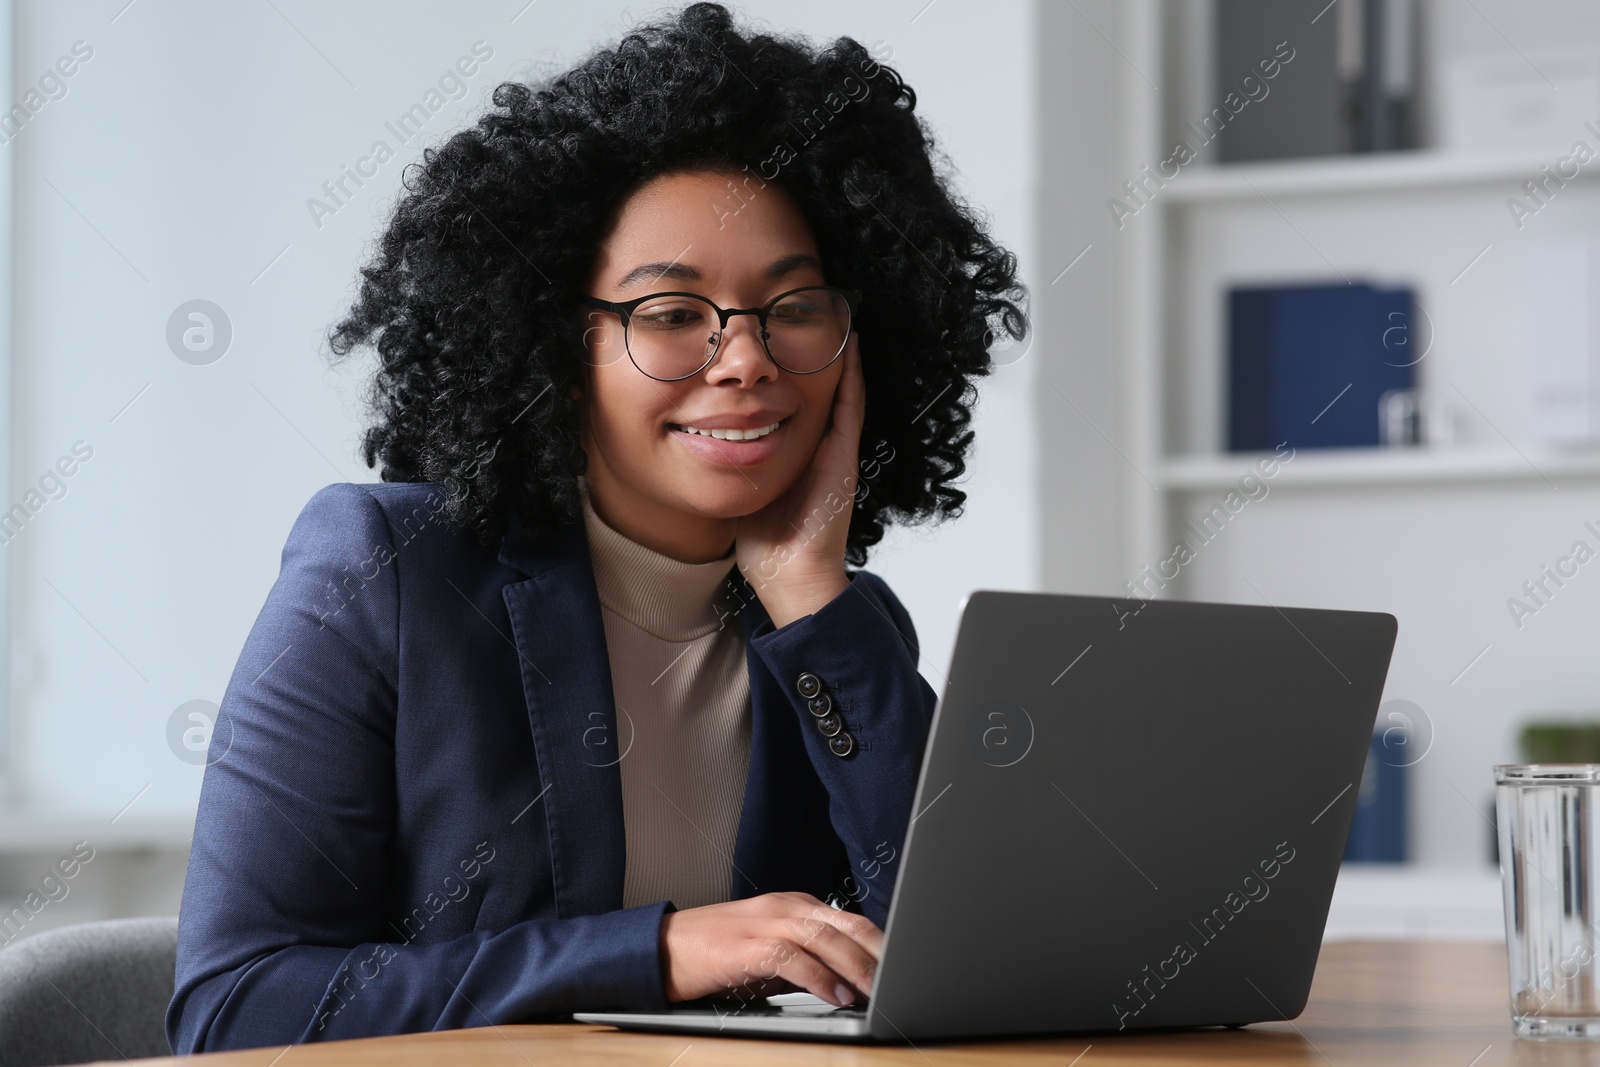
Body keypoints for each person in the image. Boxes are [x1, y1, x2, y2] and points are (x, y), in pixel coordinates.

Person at [166, 2, 1025, 1053]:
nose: (745, 358)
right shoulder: (388, 572)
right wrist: (656, 951)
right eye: (670, 314)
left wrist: (806, 585)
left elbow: (980, 955)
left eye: (793, 306)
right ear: (556, 349)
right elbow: (237, 1004)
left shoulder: (837, 632)